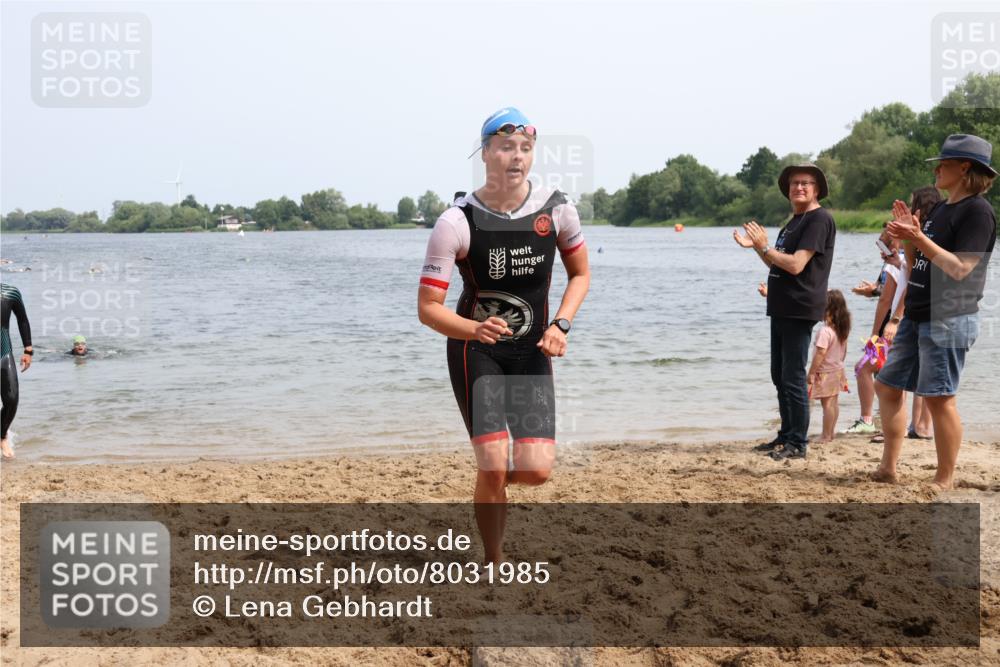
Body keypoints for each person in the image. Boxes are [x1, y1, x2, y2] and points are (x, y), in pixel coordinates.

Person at [417, 108, 590, 562]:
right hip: (477, 351)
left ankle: (488, 482)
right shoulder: (456, 221)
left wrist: (561, 324)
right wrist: (474, 327)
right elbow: (428, 310)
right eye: (507, 147)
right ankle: (494, 557)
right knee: (493, 463)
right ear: (486, 152)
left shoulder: (557, 211)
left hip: (533, 350)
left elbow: (580, 276)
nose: (517, 156)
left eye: (526, 148)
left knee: (535, 472)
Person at [872, 134, 997, 489]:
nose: (937, 170)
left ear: (965, 168)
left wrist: (920, 237)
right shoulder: (941, 208)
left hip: (951, 316)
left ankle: (944, 478)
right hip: (918, 312)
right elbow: (917, 262)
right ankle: (888, 468)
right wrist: (909, 237)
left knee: (940, 399)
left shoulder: (978, 212)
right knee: (887, 384)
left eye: (944, 163)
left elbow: (960, 268)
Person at [735, 163, 837, 461]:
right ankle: (786, 434)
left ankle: (798, 443)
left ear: (817, 189)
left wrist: (765, 247)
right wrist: (758, 247)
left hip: (799, 306)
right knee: (779, 374)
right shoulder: (794, 221)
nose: (799, 188)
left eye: (806, 183)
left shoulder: (819, 220)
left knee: (792, 376)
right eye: (794, 183)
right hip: (781, 306)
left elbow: (796, 265)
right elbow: (777, 262)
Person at [845, 226, 908, 436]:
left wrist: (874, 336)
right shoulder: (907, 260)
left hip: (889, 326)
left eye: (885, 243)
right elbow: (888, 291)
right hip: (902, 324)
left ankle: (867, 420)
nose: (882, 249)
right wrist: (873, 289)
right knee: (890, 374)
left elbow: (886, 300)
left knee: (863, 368)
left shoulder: (896, 263)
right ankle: (890, 422)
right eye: (880, 243)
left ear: (895, 242)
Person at [807, 290, 851, 443]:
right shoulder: (841, 330)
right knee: (833, 404)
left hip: (825, 372)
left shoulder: (825, 331)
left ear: (828, 310)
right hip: (838, 370)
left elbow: (820, 353)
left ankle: (825, 435)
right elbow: (844, 351)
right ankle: (830, 433)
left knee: (827, 405)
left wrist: (812, 372)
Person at [1, 283, 33, 459]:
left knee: (12, 400)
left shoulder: (10, 292)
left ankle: (2, 435)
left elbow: (22, 319)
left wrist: (28, 350)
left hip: (3, 353)